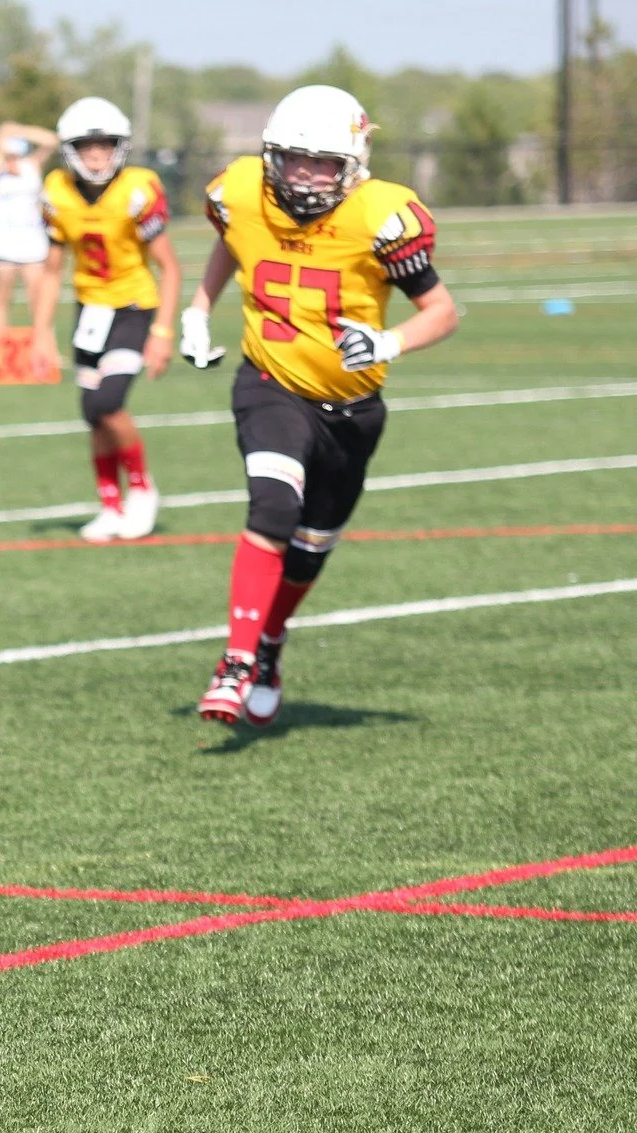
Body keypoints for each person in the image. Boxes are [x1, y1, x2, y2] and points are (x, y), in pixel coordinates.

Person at [179, 84, 458, 725]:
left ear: (352, 164)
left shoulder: (381, 215)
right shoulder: (242, 191)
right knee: (273, 506)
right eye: (293, 158)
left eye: (322, 162)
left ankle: (269, 642)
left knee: (308, 552)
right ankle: (235, 662)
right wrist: (198, 307)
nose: (304, 174)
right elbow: (234, 240)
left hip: (354, 409)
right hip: (270, 383)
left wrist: (388, 341)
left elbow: (441, 311)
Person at [30, 96, 181, 543]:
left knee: (108, 403)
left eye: (105, 145)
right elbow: (52, 269)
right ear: (70, 149)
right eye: (87, 146)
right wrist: (40, 331)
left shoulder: (138, 190)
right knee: (92, 414)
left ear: (121, 147)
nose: (96, 155)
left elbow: (170, 267)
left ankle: (142, 488)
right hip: (89, 310)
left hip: (133, 306)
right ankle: (111, 505)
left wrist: (162, 331)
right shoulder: (56, 190)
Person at [0, 121, 57, 339]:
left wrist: (19, 130)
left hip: (32, 241)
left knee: (38, 298)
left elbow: (51, 141)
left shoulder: (32, 165)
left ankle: (45, 347)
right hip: (2, 242)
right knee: (2, 297)